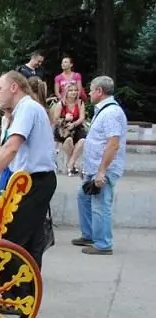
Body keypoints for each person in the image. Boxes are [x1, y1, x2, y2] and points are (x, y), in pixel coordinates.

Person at [0, 71, 56, 304]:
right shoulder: (26, 110)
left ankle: (16, 295)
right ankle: (25, 294)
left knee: (12, 238)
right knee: (30, 240)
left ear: (14, 87)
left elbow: (12, 149)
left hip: (34, 181)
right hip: (32, 180)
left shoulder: (27, 108)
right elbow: (13, 148)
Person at [73, 76, 127, 255]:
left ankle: (103, 244)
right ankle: (89, 234)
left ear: (99, 92)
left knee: (100, 204)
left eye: (91, 89)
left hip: (103, 169)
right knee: (84, 196)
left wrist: (101, 171)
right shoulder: (104, 110)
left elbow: (113, 144)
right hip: (95, 167)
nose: (88, 92)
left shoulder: (111, 112)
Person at [53, 83, 87, 176]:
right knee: (68, 140)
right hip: (63, 128)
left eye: (75, 90)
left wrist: (74, 124)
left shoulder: (80, 102)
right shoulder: (61, 104)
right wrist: (65, 119)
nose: (74, 92)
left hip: (76, 126)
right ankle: (72, 163)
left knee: (83, 140)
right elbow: (55, 119)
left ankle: (70, 162)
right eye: (71, 90)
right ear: (66, 92)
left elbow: (82, 117)